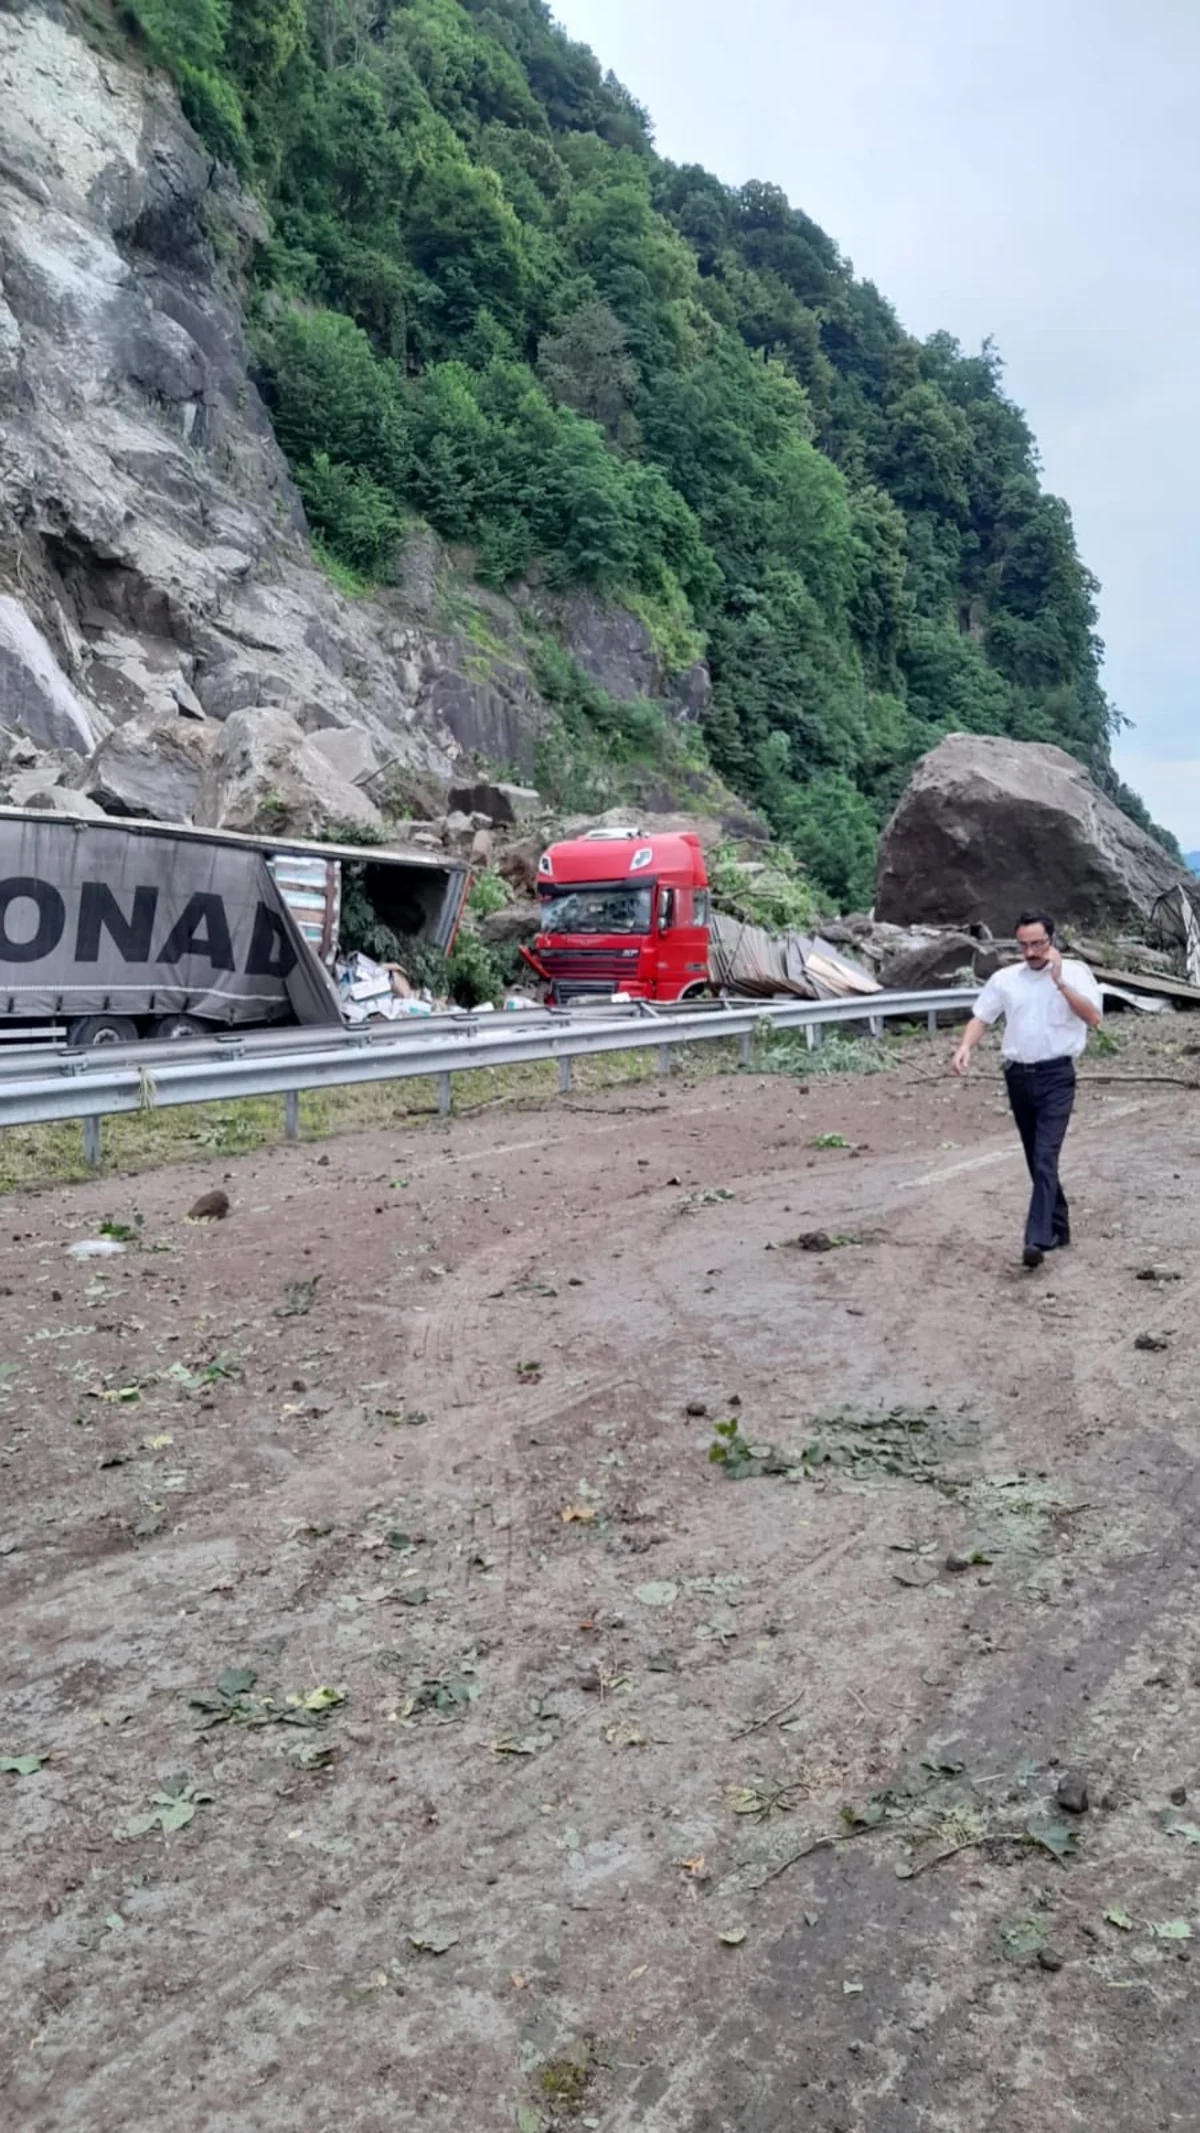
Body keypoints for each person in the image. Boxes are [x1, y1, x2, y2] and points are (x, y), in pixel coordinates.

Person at [950, 910, 1103, 1268]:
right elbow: (982, 1016)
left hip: (1057, 1075)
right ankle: (1059, 1227)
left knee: (1046, 1156)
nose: (1031, 952)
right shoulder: (1005, 979)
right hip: (1018, 1076)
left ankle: (1037, 1238)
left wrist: (1060, 982)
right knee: (1036, 1156)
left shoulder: (1076, 973)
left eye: (1038, 944)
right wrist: (965, 1046)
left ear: (1052, 940)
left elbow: (1093, 1017)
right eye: (1024, 946)